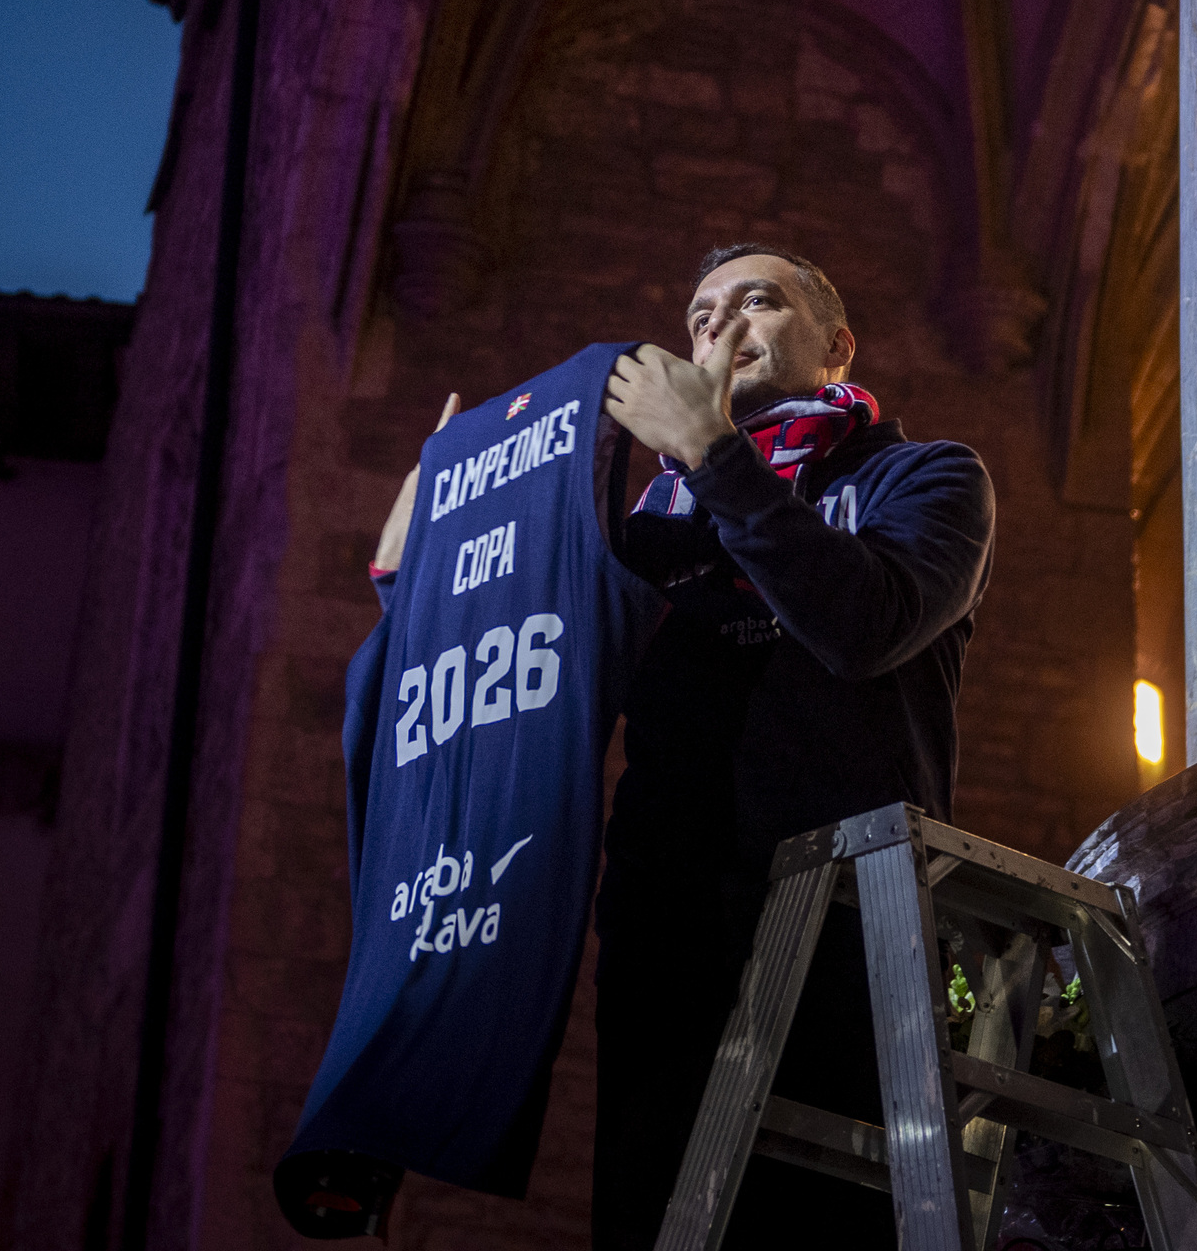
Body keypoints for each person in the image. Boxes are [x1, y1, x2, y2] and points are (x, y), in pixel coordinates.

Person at [369, 244, 994, 1248]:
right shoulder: (653, 536)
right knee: (659, 1210)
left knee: (825, 1217)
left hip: (848, 913)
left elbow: (863, 625)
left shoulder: (923, 477)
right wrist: (431, 540)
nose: (721, 326)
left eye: (759, 300)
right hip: (672, 922)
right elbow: (497, 671)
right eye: (701, 315)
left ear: (835, 347)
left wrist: (713, 455)